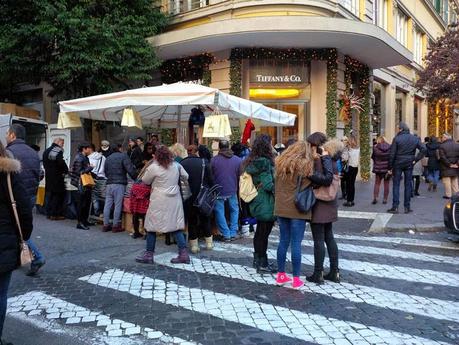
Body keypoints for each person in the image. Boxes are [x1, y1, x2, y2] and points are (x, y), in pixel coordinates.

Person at [0, 142, 33, 345]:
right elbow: (24, 210)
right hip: (4, 241)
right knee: (1, 293)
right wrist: (23, 237)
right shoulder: (9, 175)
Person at [135, 145, 190, 264]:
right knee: (176, 226)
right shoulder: (176, 165)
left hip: (158, 199)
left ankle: (149, 254)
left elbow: (145, 181)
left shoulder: (154, 167)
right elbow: (186, 176)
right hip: (175, 199)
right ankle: (183, 254)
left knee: (151, 227)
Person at [6, 124, 45, 276]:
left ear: (12, 135)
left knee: (17, 230)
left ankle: (37, 257)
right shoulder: (33, 152)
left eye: (7, 133)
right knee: (21, 228)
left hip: (14, 198)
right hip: (30, 195)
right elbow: (40, 174)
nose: (6, 136)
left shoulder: (9, 152)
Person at [274, 141, 314, 289]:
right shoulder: (305, 167)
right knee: (296, 243)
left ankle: (281, 275)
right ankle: (296, 279)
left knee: (283, 241)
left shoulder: (279, 165)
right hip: (297, 210)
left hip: (281, 208)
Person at [306, 134, 341, 284]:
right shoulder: (332, 159)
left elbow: (320, 180)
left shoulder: (318, 161)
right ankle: (335, 271)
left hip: (319, 203)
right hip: (330, 203)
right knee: (329, 237)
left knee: (318, 239)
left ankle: (318, 273)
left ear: (316, 145)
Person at [243, 134, 277, 274]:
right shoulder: (265, 162)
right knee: (264, 234)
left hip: (257, 200)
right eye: (270, 143)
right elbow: (269, 185)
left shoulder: (253, 160)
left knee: (259, 233)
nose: (272, 146)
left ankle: (257, 259)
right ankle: (263, 263)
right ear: (266, 146)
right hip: (266, 203)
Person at [180, 145, 214, 253]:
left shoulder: (182, 163)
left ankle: (194, 246)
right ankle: (209, 243)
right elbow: (211, 181)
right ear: (196, 152)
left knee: (192, 220)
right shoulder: (204, 163)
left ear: (187, 151)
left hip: (188, 197)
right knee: (205, 218)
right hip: (203, 196)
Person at [387, 122, 426, 214]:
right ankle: (407, 207)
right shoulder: (414, 138)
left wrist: (390, 167)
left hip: (398, 163)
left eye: (398, 128)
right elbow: (424, 149)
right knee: (408, 185)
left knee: (396, 185)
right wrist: (415, 160)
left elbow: (392, 154)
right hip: (409, 163)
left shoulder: (396, 138)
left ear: (401, 129)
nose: (397, 130)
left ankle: (395, 206)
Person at [211, 140, 242, 242]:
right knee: (234, 210)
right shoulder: (237, 160)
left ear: (219, 148)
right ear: (229, 146)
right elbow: (241, 176)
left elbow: (210, 176)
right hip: (233, 189)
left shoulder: (213, 160)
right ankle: (233, 232)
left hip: (218, 190)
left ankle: (226, 234)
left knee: (219, 211)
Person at [102, 144, 138, 233]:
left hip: (109, 183)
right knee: (118, 205)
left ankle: (105, 225)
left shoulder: (108, 158)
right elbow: (130, 170)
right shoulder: (123, 156)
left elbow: (105, 171)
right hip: (119, 184)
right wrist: (136, 178)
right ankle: (115, 226)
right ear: (120, 148)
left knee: (107, 204)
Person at [43, 138, 69, 220]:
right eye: (62, 143)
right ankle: (55, 214)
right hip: (57, 177)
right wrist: (66, 170)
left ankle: (48, 213)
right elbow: (60, 162)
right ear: (58, 142)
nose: (63, 145)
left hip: (48, 176)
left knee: (49, 195)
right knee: (57, 196)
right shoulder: (57, 150)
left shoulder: (46, 151)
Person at [70, 142, 94, 230]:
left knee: (86, 203)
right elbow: (79, 172)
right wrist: (90, 168)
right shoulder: (79, 158)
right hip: (81, 184)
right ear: (84, 149)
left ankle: (84, 220)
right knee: (82, 204)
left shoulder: (84, 157)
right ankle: (80, 223)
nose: (90, 150)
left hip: (85, 184)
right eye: (89, 148)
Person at [438, 133, 459, 199]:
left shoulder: (442, 146)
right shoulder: (457, 145)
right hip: (455, 166)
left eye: (442, 137)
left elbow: (442, 157)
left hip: (446, 167)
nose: (442, 138)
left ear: (445, 138)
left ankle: (448, 195)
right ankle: (456, 194)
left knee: (446, 181)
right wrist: (456, 164)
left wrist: (449, 164)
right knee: (454, 180)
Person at [371, 136, 391, 204]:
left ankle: (375, 198)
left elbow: (373, 157)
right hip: (386, 169)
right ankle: (385, 199)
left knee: (377, 183)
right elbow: (391, 158)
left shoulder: (375, 147)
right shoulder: (390, 147)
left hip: (378, 168)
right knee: (386, 184)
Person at [88, 144, 106, 217]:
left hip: (92, 178)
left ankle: (97, 212)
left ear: (90, 149)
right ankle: (106, 213)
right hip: (102, 178)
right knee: (104, 197)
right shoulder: (103, 157)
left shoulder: (88, 158)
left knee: (94, 196)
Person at [342, 135, 360, 207]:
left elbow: (344, 158)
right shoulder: (358, 149)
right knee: (352, 184)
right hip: (355, 168)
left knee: (348, 185)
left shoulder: (348, 149)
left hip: (349, 168)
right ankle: (352, 200)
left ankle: (349, 201)